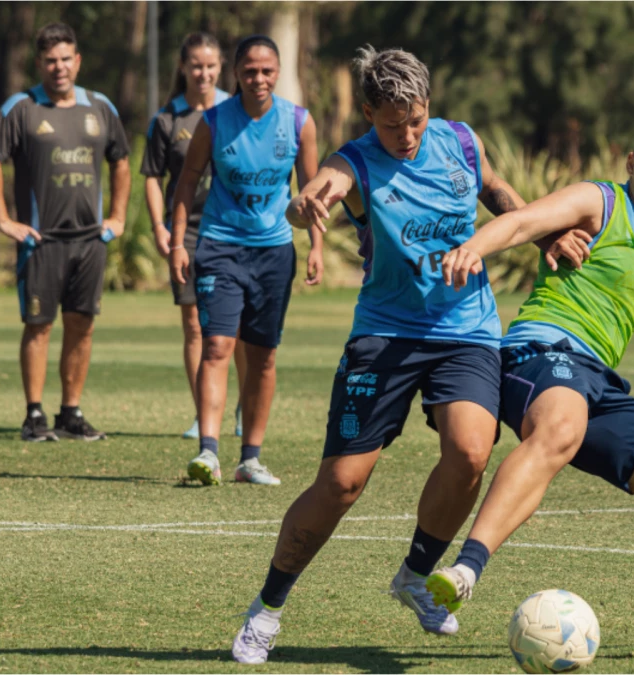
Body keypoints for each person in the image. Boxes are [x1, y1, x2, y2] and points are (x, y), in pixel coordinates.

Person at [229, 46, 532, 665]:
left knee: (471, 452)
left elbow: (495, 189)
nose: (407, 135)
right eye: (392, 124)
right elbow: (321, 189)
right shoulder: (356, 162)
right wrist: (304, 206)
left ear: (428, 106)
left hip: (467, 330)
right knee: (342, 483)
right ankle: (267, 608)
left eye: (416, 119)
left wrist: (545, 229)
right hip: (385, 335)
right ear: (369, 114)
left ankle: (416, 575)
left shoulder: (460, 141)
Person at [426, 105, 634, 661]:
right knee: (561, 427)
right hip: (541, 355)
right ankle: (468, 568)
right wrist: (474, 248)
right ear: (632, 164)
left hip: (600, 384)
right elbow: (523, 223)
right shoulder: (599, 202)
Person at [169, 34, 323, 486]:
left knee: (263, 356)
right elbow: (186, 183)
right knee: (217, 346)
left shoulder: (298, 122)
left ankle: (250, 460)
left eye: (267, 71)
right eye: (250, 71)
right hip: (219, 247)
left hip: (274, 252)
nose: (258, 79)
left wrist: (316, 245)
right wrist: (178, 243)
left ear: (278, 72)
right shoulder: (214, 122)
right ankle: (209, 452)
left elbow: (311, 190)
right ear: (236, 73)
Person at [0, 22, 130, 442]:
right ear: (39, 64)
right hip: (40, 241)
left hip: (91, 240)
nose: (58, 67)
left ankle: (71, 412)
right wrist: (3, 220)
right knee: (39, 325)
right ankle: (34, 415)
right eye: (50, 60)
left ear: (77, 61)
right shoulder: (21, 108)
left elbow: (121, 160)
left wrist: (117, 217)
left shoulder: (100, 107)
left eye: (65, 59)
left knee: (82, 325)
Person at [142, 32, 247, 441]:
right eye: (196, 66)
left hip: (232, 229)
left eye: (210, 66)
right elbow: (153, 178)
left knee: (240, 326)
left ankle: (245, 406)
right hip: (186, 233)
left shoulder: (235, 111)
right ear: (183, 67)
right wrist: (161, 227)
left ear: (221, 68)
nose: (203, 73)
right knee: (194, 325)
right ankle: (204, 413)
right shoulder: (167, 119)